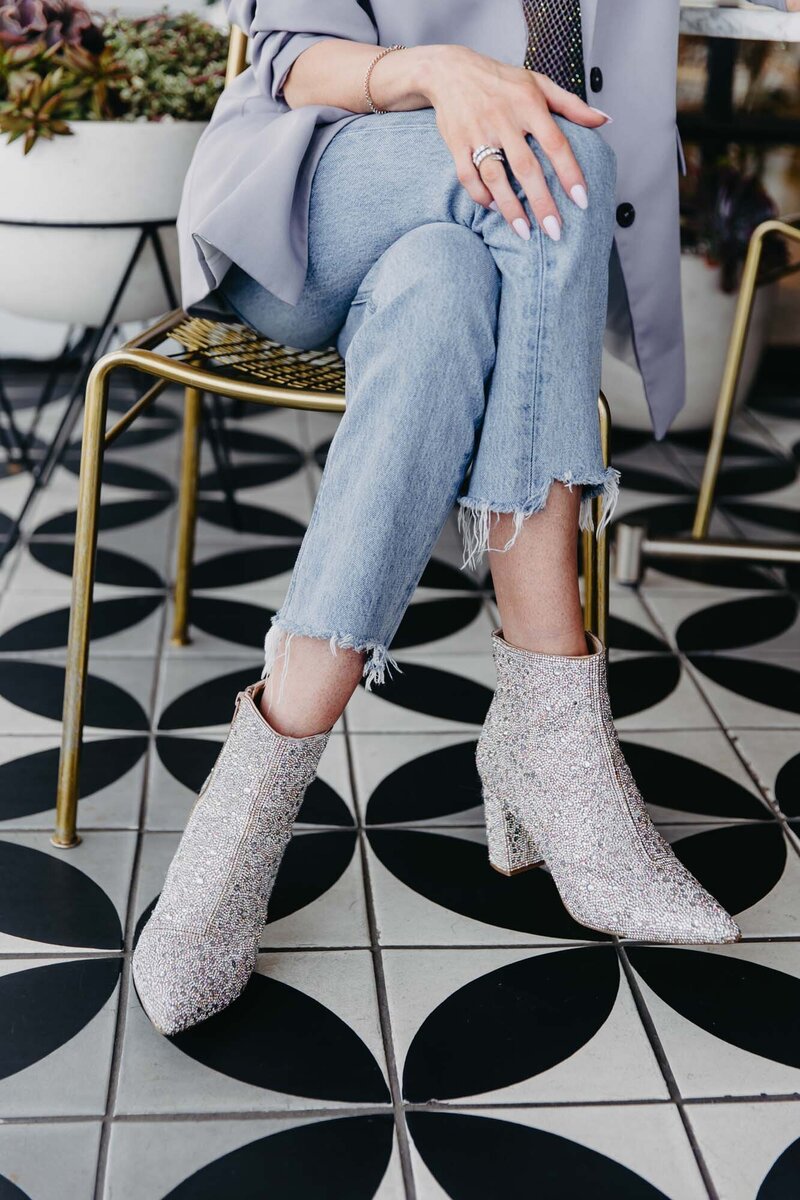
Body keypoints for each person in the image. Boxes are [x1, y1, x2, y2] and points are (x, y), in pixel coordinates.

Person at [132, 0, 791, 1037]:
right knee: (549, 164)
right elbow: (297, 63)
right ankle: (551, 718)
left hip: (476, 244)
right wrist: (440, 72)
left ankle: (250, 797)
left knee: (444, 290)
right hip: (319, 197)